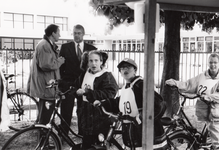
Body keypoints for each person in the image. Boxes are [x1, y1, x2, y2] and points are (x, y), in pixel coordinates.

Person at [93, 58, 168, 150]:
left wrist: (140, 118)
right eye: (122, 68)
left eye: (128, 67)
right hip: (132, 136)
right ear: (120, 72)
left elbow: (159, 104)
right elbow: (120, 102)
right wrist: (103, 103)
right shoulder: (126, 87)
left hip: (147, 137)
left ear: (135, 70)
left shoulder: (141, 84)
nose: (125, 69)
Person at [165, 53, 219, 149]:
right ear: (207, 63)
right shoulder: (202, 76)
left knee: (216, 136)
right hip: (201, 108)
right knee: (196, 133)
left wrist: (209, 97)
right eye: (210, 62)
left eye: (215, 62)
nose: (213, 65)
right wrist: (175, 83)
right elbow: (188, 85)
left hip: (216, 111)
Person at [72, 50, 119, 149]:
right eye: (91, 61)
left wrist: (88, 93)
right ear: (87, 62)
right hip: (86, 117)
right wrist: (75, 91)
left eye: (96, 60)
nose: (94, 63)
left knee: (99, 145)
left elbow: (110, 93)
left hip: (100, 117)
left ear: (101, 62)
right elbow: (76, 86)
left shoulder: (106, 75)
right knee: (86, 144)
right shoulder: (85, 74)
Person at [59, 24, 97, 135]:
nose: (76, 35)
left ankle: (82, 134)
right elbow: (61, 67)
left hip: (84, 84)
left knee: (83, 110)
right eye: (75, 33)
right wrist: (62, 83)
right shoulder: (65, 47)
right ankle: (63, 135)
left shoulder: (92, 49)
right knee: (66, 110)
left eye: (79, 33)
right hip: (68, 84)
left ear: (83, 34)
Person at [27, 24, 65, 125]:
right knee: (45, 118)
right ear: (53, 33)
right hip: (46, 87)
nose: (59, 35)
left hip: (47, 86)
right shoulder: (45, 45)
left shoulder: (46, 44)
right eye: (58, 33)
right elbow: (46, 65)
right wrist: (60, 61)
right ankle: (44, 140)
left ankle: (44, 139)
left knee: (45, 116)